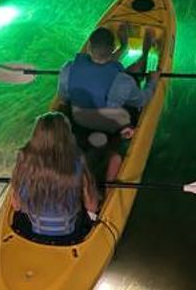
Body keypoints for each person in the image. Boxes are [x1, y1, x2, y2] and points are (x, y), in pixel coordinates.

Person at [57, 26, 160, 180]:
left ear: (89, 48)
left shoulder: (68, 69)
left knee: (121, 77)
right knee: (132, 76)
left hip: (78, 119)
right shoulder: (123, 82)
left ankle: (125, 47)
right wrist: (152, 81)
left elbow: (63, 97)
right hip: (107, 124)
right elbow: (142, 99)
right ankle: (144, 53)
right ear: (112, 49)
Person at [10, 112, 99, 243]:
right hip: (70, 235)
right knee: (114, 159)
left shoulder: (24, 162)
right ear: (66, 135)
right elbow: (92, 206)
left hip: (31, 232)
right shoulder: (77, 161)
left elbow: (17, 206)